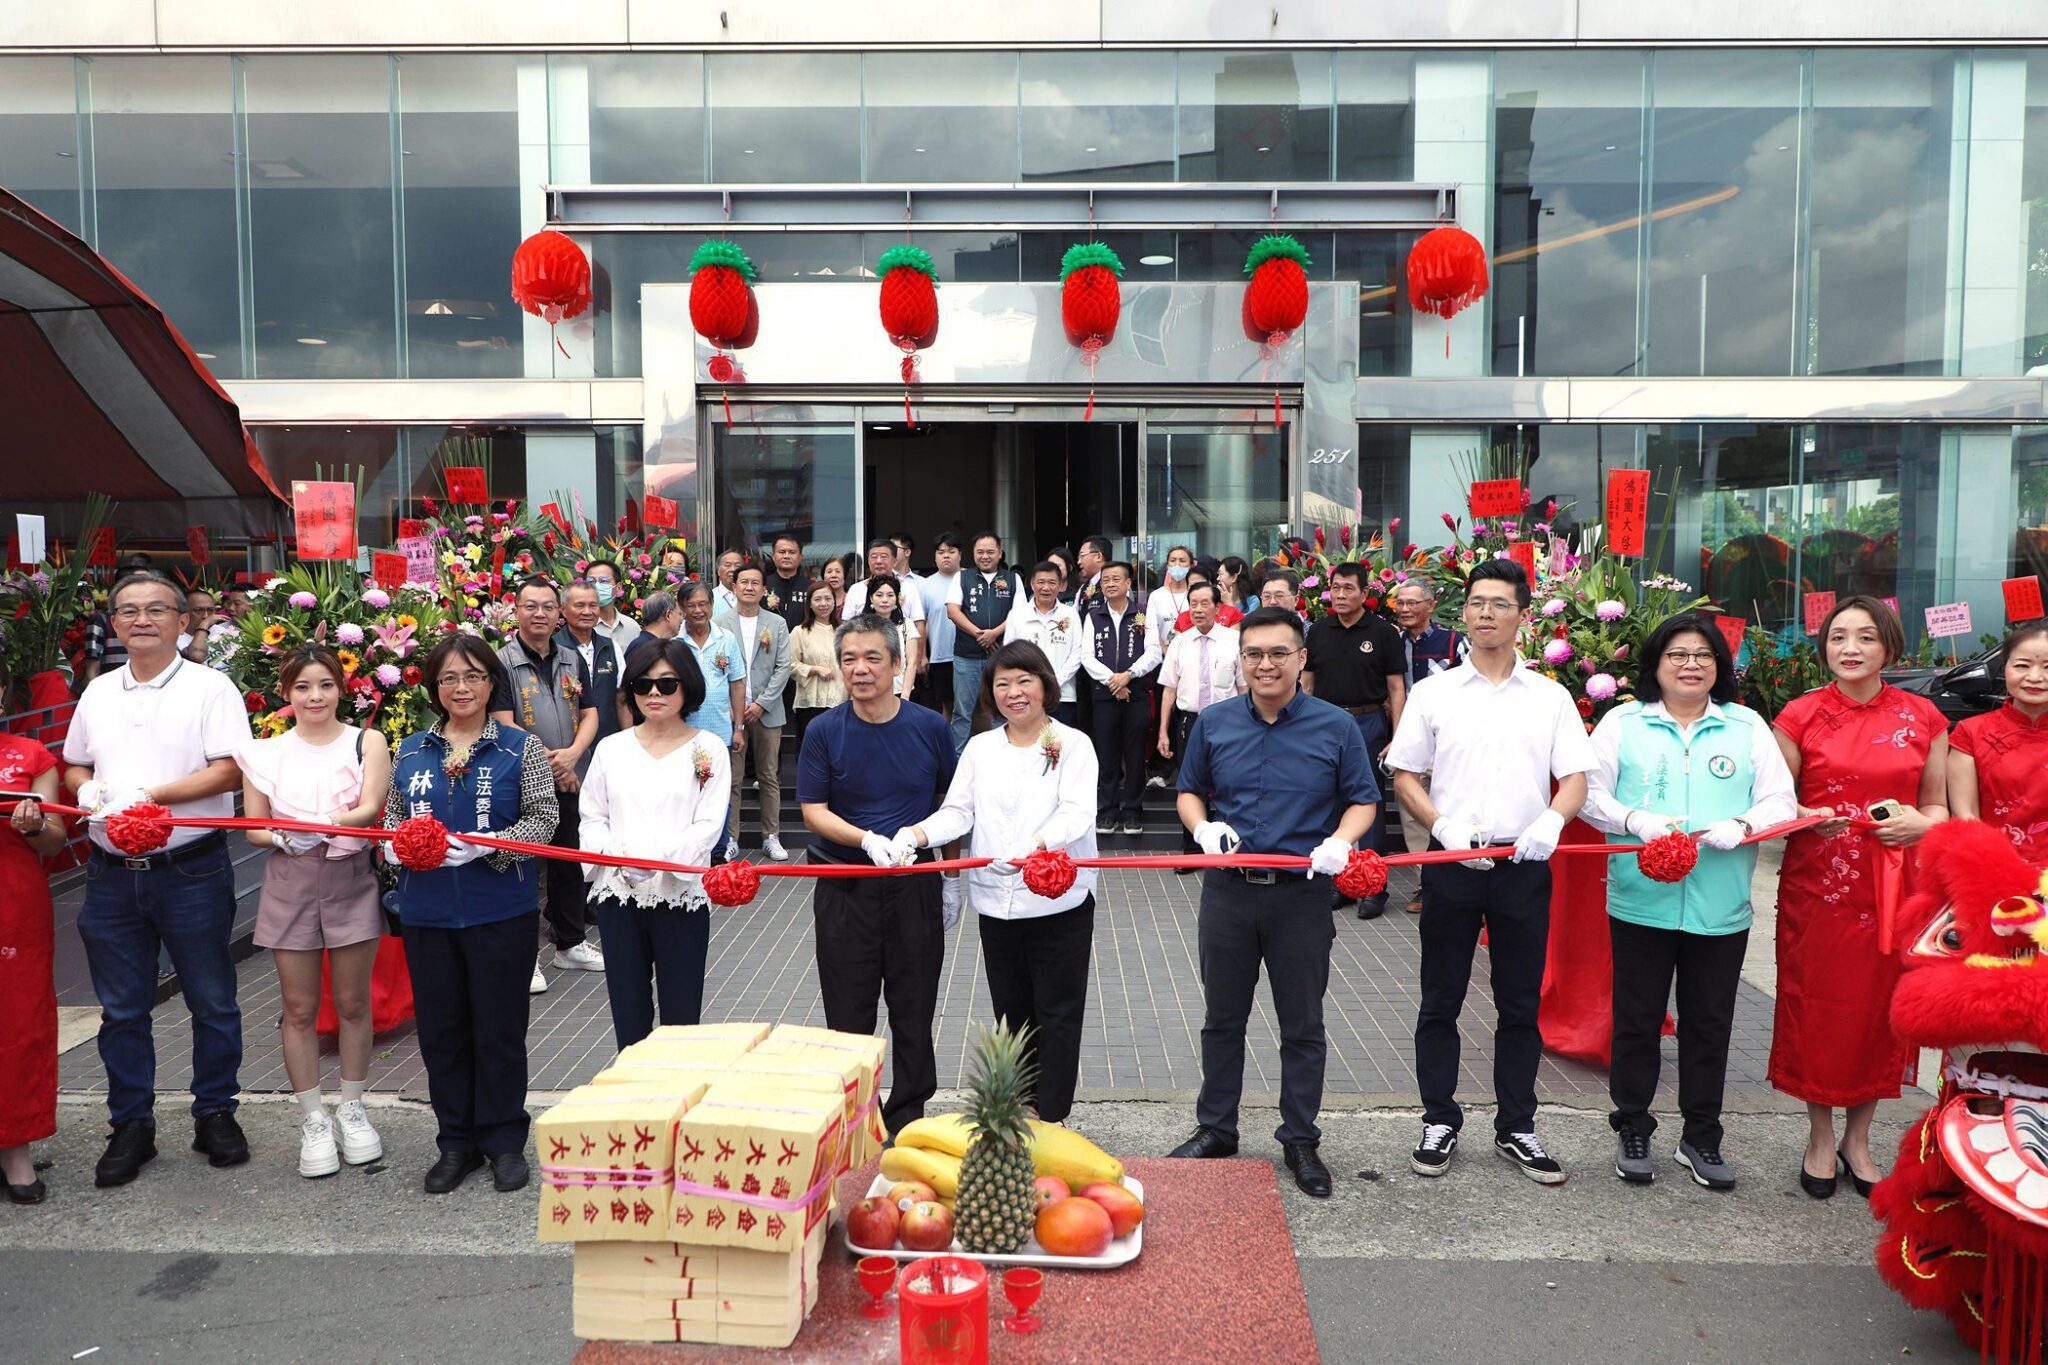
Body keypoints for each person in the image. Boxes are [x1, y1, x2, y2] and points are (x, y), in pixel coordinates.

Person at [1386, 559, 1593, 1186]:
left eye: (1500, 603)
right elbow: (1404, 774)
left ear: (1522, 616)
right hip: (1452, 862)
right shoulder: (1434, 692)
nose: (1485, 613)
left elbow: (1576, 778)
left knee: (1519, 1002)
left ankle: (1517, 1126)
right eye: (1476, 602)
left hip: (1522, 863)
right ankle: (1439, 1118)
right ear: (1464, 614)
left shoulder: (1550, 697)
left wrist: (1551, 822)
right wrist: (1440, 825)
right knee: (1441, 998)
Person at [1167, 606, 1379, 1197]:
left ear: (1301, 658)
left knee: (1303, 1023)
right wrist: (1203, 828)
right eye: (1254, 653)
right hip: (1229, 894)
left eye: (1278, 653)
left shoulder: (1336, 726)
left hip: (1301, 899)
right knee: (1221, 1020)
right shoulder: (1213, 722)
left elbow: (1364, 799)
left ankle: (1301, 1138)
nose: (1265, 664)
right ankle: (1217, 1128)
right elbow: (1189, 792)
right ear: (1242, 659)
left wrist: (1342, 840)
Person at [1582, 614, 1796, 1190]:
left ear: (1719, 668)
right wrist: (1634, 820)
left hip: (1719, 907)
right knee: (1637, 1022)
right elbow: (1587, 795)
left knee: (1709, 1024)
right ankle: (1632, 1125)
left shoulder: (1745, 726)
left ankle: (1701, 1136)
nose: (1691, 664)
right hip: (1640, 901)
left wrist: (1743, 824)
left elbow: (1781, 802)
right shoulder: (1623, 723)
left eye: (1704, 655)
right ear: (1656, 663)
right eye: (1678, 653)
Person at [62, 570, 249, 1188]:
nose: (141, 620)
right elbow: (74, 764)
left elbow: (228, 773)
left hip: (189, 867)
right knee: (121, 1009)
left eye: (156, 609)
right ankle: (131, 1124)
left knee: (212, 999)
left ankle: (215, 1111)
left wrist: (153, 797)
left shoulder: (210, 687)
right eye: (128, 611)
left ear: (182, 619)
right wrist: (87, 788)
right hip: (111, 875)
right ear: (113, 623)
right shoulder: (97, 692)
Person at [1770, 595, 1948, 1199]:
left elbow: (1939, 807)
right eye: (1839, 637)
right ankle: (1820, 1138)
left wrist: (1919, 826)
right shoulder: (1799, 715)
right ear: (1824, 649)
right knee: (1819, 1008)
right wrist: (1804, 815)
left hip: (1895, 887)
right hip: (1818, 888)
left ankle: (1860, 1139)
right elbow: (1774, 802)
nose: (1851, 648)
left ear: (1889, 647)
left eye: (1866, 637)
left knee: (1880, 1014)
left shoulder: (1925, 718)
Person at [899, 642, 1100, 1123]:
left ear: (1045, 685)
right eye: (1002, 683)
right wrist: (918, 834)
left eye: (1024, 680)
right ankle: (1017, 1105)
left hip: (1058, 901)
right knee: (1012, 1012)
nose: (1014, 693)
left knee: (1058, 1011)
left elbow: (1076, 812)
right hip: (997, 903)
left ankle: (1050, 1115)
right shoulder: (982, 746)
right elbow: (959, 810)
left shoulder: (1072, 744)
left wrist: (1035, 844)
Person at [386, 636, 557, 1195]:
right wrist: (390, 847)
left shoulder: (519, 748)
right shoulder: (411, 750)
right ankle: (455, 1142)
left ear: (491, 683)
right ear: (435, 688)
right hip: (428, 913)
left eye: (473, 677)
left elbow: (544, 820)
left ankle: (505, 1141)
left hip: (499, 911)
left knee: (499, 1031)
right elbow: (390, 820)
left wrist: (491, 844)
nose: (461, 688)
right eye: (449, 679)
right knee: (442, 1033)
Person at [236, 645, 394, 1179]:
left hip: (349, 878)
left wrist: (326, 824)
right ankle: (312, 1117)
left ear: (340, 688)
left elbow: (372, 805)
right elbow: (253, 827)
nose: (315, 696)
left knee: (353, 1003)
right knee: (298, 1009)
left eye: (325, 685)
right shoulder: (263, 753)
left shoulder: (365, 741)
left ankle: (352, 1106)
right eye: (302, 687)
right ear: (286, 694)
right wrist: (282, 836)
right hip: (289, 881)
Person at [798, 613, 959, 1136]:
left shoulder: (931, 727)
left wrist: (951, 878)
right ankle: (855, 1120)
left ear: (897, 663)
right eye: (849, 659)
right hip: (846, 887)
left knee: (913, 1009)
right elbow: (813, 811)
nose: (860, 669)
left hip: (914, 886)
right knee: (848, 1014)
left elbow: (952, 806)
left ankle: (909, 1115)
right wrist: (865, 840)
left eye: (873, 658)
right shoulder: (823, 731)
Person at [580, 642, 730, 1048]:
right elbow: (593, 817)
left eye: (667, 684)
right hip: (618, 895)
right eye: (643, 684)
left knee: (681, 1021)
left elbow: (708, 825)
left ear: (688, 687)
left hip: (679, 894)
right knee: (628, 1017)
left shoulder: (710, 749)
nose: (654, 694)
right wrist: (616, 858)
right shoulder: (612, 748)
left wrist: (661, 861)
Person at [491, 579, 601, 991]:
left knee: (568, 860)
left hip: (570, 774)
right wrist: (556, 764)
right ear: (515, 610)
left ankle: (570, 944)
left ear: (559, 615)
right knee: (524, 866)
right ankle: (526, 957)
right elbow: (503, 722)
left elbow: (590, 712)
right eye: (531, 606)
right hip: (520, 780)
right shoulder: (500, 661)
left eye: (548, 607)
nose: (540, 614)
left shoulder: (573, 659)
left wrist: (572, 755)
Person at [1305, 562, 1408, 919]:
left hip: (1367, 723)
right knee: (1329, 800)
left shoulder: (1383, 633)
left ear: (1365, 594)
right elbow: (1306, 685)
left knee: (1370, 802)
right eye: (1335, 588)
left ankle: (1373, 887)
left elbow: (1396, 689)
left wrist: (1398, 736)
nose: (1341, 595)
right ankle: (1338, 881)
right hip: (1324, 724)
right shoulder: (1318, 631)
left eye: (1349, 589)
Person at [1, 663, 68, 1204]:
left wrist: (34, 824)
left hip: (14, 906)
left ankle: (16, 1149)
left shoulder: (30, 755)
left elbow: (53, 841)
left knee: (19, 1024)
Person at [1391, 578, 1468, 914]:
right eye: (1400, 603)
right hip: (1410, 741)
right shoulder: (1393, 643)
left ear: (1431, 604)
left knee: (1450, 807)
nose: (1405, 609)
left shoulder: (1455, 641)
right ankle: (1428, 884)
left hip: (1449, 742)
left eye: (1412, 603)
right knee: (1412, 814)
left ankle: (1459, 878)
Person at [1156, 582, 1244, 868]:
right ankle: (1191, 851)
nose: (1198, 609)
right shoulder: (1180, 642)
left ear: (1218, 608)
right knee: (1190, 785)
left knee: (1229, 785)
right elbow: (1169, 690)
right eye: (1193, 603)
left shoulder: (1234, 641)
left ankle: (1229, 849)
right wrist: (1162, 732)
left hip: (1229, 721)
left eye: (1205, 603)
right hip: (1189, 722)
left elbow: (1243, 688)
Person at [1947, 621, 2048, 862]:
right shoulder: (1971, 732)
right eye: (2022, 665)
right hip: (1995, 869)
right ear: (2005, 669)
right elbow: (1965, 814)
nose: (2035, 677)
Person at [714, 563, 793, 863]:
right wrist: (738, 708)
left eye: (755, 583)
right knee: (731, 778)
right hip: (730, 712)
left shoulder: (777, 623)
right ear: (733, 588)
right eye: (743, 582)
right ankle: (730, 837)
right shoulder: (719, 622)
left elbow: (783, 666)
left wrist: (761, 703)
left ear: (763, 589)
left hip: (767, 711)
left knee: (768, 775)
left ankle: (770, 836)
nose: (749, 587)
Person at [1082, 562, 1160, 837]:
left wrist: (1128, 675)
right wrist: (1113, 682)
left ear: (1129, 584)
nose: (1110, 583)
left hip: (1136, 695)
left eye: (1117, 579)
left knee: (1135, 755)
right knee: (1107, 756)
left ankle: (1133, 811)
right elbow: (1086, 657)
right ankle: (1106, 811)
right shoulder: (1093, 616)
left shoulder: (1143, 613)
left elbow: (1153, 653)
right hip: (1104, 698)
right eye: (1106, 580)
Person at [675, 580, 749, 858]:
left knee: (719, 791)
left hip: (720, 732)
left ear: (711, 605)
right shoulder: (675, 641)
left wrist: (739, 727)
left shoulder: (726, 638)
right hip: (682, 732)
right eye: (691, 605)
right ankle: (688, 848)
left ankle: (719, 849)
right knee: (686, 790)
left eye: (703, 604)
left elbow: (737, 683)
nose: (698, 610)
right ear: (682, 607)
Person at [946, 531, 1021, 754]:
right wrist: (980, 634)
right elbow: (952, 610)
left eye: (990, 551)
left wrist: (994, 633)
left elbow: (1019, 613)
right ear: (973, 554)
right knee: (962, 712)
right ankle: (957, 763)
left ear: (1000, 553)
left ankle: (1002, 758)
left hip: (1001, 658)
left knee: (1001, 709)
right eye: (980, 551)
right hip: (966, 656)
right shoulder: (962, 577)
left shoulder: (1011, 578)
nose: (985, 556)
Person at [1005, 561, 1085, 725]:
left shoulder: (1070, 614)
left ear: (1060, 585)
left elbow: (1077, 652)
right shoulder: (1017, 615)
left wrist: (1055, 681)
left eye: (1052, 582)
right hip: (1025, 694)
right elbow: (1009, 652)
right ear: (1032, 584)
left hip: (1062, 694)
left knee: (1059, 745)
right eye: (1041, 582)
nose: (1046, 588)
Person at [559, 580, 623, 744]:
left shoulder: (610, 647)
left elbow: (622, 698)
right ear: (563, 610)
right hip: (567, 745)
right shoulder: (553, 648)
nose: (587, 612)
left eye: (593, 605)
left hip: (608, 742)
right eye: (579, 606)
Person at [787, 582, 845, 755]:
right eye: (818, 599)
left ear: (834, 602)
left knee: (837, 750)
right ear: (810, 604)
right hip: (810, 701)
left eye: (828, 599)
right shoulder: (800, 632)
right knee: (810, 750)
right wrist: (814, 669)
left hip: (839, 698)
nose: (823, 604)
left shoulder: (844, 631)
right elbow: (789, 664)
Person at [915, 533, 963, 726]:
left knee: (977, 707)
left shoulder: (971, 579)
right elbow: (921, 623)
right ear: (934, 556)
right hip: (940, 656)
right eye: (941, 552)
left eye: (951, 551)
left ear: (960, 554)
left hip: (972, 656)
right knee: (947, 707)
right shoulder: (925, 586)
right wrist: (922, 655)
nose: (946, 556)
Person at [863, 575, 917, 698]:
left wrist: (905, 695)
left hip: (900, 691)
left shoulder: (906, 625)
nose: (885, 600)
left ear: (897, 599)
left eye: (890, 595)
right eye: (879, 595)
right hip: (869, 692)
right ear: (871, 598)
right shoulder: (860, 626)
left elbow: (912, 662)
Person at [585, 559, 643, 658]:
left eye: (604, 581)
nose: (597, 586)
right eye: (591, 581)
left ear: (618, 587)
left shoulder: (632, 627)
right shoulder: (582, 626)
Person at [1146, 544, 1196, 645]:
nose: (1177, 565)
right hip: (1163, 655)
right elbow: (1151, 631)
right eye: (1173, 561)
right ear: (1167, 566)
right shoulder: (1156, 596)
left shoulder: (1196, 595)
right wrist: (1167, 652)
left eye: (1182, 561)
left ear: (1191, 565)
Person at [622, 589, 682, 671]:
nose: (681, 620)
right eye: (680, 614)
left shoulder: (655, 644)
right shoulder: (641, 647)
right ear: (668, 615)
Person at [764, 534, 809, 630]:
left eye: (792, 552)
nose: (786, 556)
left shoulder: (810, 587)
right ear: (773, 556)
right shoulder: (762, 585)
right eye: (782, 552)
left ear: (800, 557)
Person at [1075, 536, 1110, 608]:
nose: (1079, 562)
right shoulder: (1082, 588)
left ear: (1098, 556)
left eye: (1082, 555)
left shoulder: (1113, 586)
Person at [712, 549, 744, 614]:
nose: (733, 569)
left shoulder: (749, 595)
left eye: (737, 566)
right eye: (728, 565)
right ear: (718, 571)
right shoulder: (711, 597)